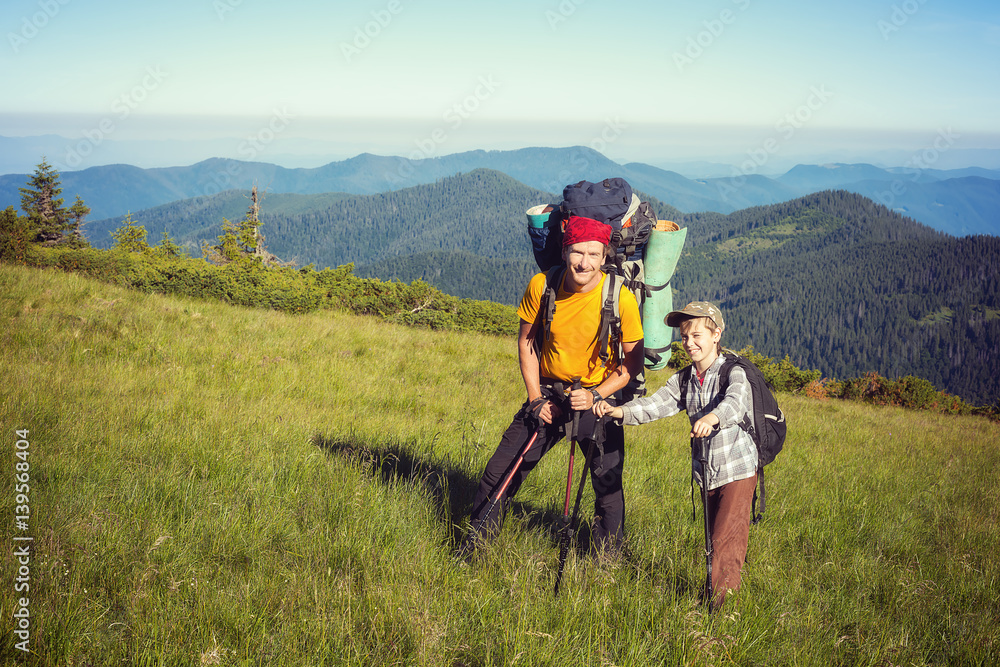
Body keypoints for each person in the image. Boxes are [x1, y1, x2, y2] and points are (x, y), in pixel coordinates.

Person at [461, 215, 645, 558]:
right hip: (547, 394)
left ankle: (607, 563)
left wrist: (595, 395)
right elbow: (527, 343)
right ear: (565, 251)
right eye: (578, 252)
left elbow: (631, 364)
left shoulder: (620, 298)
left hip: (596, 398)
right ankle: (475, 549)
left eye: (593, 254)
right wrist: (534, 400)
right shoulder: (542, 286)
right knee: (498, 473)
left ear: (604, 257)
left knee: (607, 487)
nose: (585, 262)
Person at [595, 301, 757, 608]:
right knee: (715, 539)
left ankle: (718, 609)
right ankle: (717, 598)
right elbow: (656, 405)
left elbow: (736, 402)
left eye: (697, 335)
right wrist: (619, 411)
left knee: (725, 538)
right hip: (707, 471)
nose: (689, 343)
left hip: (737, 468)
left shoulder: (733, 372)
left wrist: (712, 418)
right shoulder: (685, 378)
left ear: (716, 335)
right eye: (684, 337)